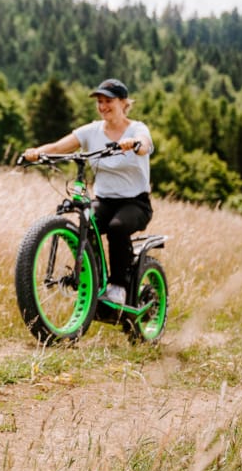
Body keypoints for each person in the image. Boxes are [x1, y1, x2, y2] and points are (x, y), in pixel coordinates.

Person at [23, 78, 154, 305]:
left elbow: (144, 145)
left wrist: (132, 143)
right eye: (99, 102)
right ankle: (94, 281)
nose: (103, 106)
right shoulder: (91, 131)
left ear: (123, 103)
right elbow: (56, 147)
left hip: (136, 203)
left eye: (108, 101)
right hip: (105, 201)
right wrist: (35, 152)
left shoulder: (137, 129)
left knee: (117, 227)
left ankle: (119, 287)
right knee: (86, 222)